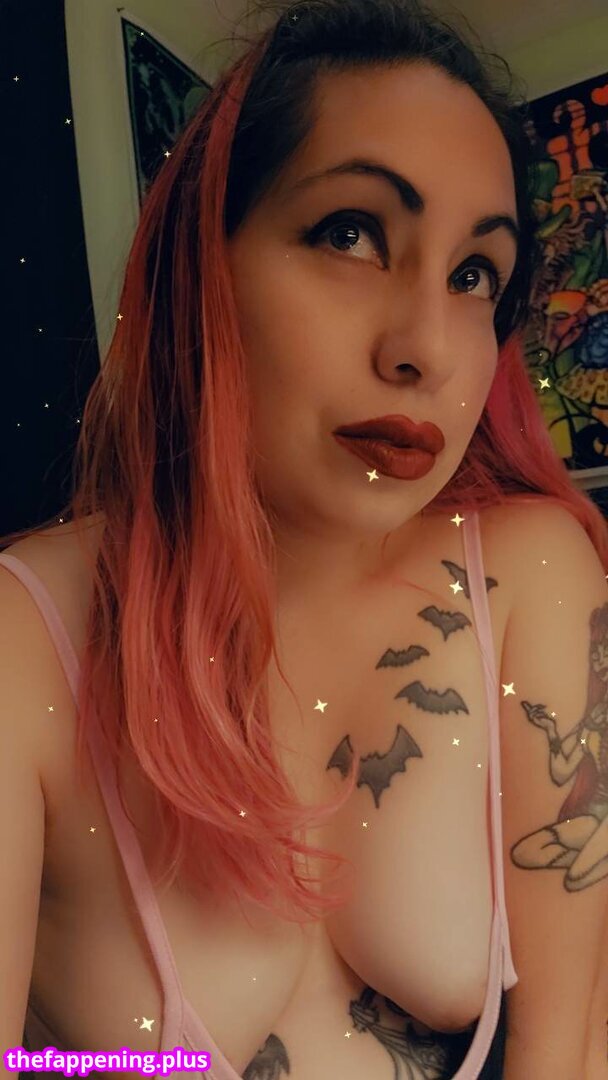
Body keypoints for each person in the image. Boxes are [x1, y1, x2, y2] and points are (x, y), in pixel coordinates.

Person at [1, 2, 607, 1079]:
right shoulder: (27, 637)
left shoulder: (527, 574)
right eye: (351, 233)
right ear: (203, 268)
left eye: (475, 274)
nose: (426, 347)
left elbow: (567, 1047)